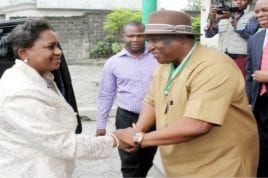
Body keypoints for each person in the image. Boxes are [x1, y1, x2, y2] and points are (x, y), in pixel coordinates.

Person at [113, 10, 259, 177]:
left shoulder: (213, 66)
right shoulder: (165, 65)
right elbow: (152, 101)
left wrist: (139, 139)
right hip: (182, 163)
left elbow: (198, 124)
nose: (149, 47)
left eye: (154, 40)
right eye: (148, 41)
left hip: (220, 164)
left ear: (181, 38)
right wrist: (138, 129)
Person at [0, 19, 121, 178]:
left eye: (58, 46)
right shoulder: (20, 92)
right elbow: (62, 144)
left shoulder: (40, 78)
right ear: (24, 52)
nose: (59, 51)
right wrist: (114, 140)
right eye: (50, 47)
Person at [95, 21, 158, 177]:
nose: (135, 39)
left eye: (139, 35)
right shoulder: (113, 63)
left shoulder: (158, 58)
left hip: (155, 117)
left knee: (148, 158)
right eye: (130, 36)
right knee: (129, 160)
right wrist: (101, 124)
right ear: (123, 37)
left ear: (146, 36)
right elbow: (106, 95)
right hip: (127, 117)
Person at [204, 0, 259, 77]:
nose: (239, 2)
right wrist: (212, 20)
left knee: (241, 85)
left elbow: (247, 34)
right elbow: (208, 34)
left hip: (242, 59)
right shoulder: (221, 14)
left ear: (249, 1)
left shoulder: (254, 16)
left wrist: (230, 18)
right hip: (222, 58)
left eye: (243, 0)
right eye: (235, 0)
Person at [246, 0, 268, 176]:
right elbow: (249, 73)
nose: (259, 14)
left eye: (265, 10)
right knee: (261, 146)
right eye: (257, 11)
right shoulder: (255, 39)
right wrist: (248, 101)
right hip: (260, 103)